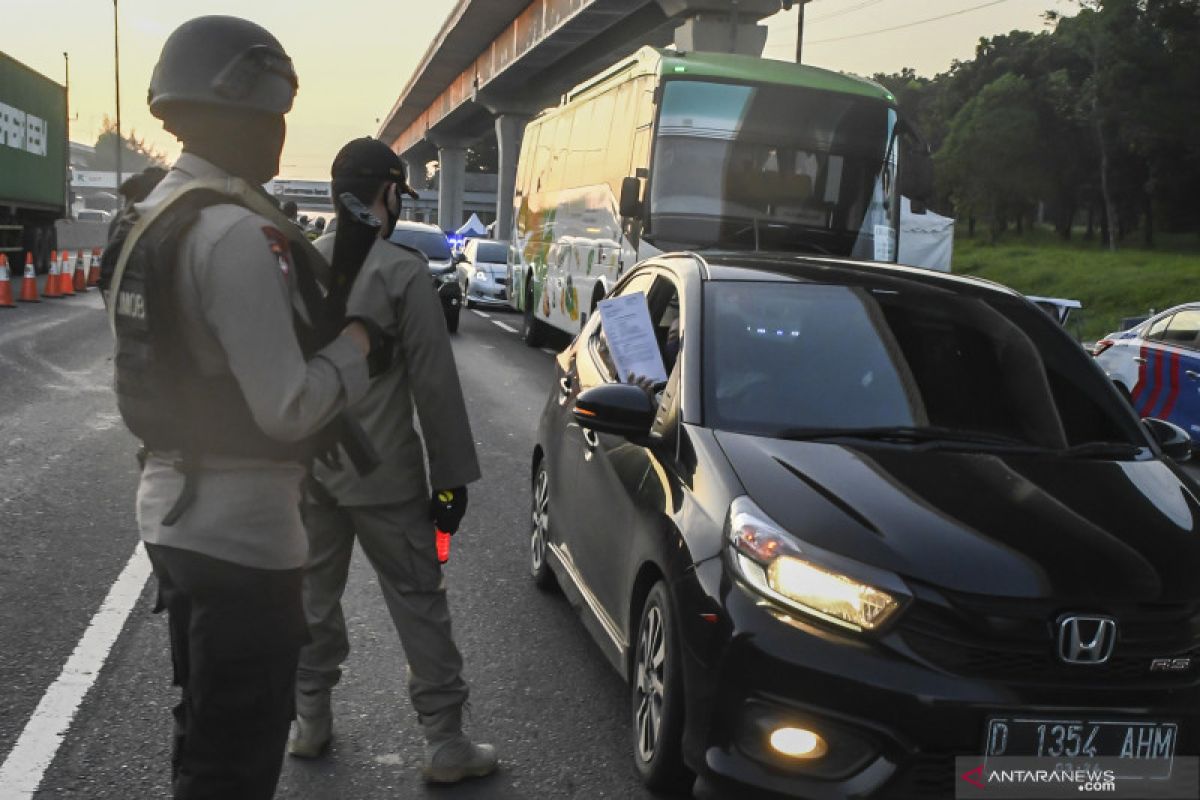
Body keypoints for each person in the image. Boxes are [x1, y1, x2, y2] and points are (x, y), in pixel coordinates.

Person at [104, 16, 382, 799]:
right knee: (234, 765)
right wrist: (356, 349)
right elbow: (287, 408)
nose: (281, 140)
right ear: (236, 112)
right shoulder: (232, 235)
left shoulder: (151, 213)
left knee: (205, 736)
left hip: (172, 517)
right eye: (273, 119)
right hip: (245, 541)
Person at [286, 137, 496, 785]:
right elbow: (435, 388)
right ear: (386, 194)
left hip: (311, 473)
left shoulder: (296, 265)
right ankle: (444, 743)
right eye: (398, 191)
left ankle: (310, 720)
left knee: (311, 600)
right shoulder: (403, 273)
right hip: (387, 477)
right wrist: (451, 480)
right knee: (418, 603)